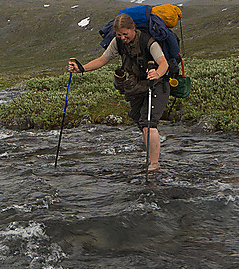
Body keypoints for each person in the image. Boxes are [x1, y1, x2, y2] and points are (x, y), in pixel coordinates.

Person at [67, 13, 170, 172]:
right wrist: (81, 69)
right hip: (137, 85)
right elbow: (102, 60)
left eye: (125, 34)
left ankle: (154, 164)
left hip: (157, 84)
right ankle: (150, 157)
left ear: (133, 28)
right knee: (140, 120)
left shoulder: (148, 41)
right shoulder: (117, 43)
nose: (122, 37)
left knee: (148, 123)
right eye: (119, 34)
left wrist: (157, 73)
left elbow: (163, 63)